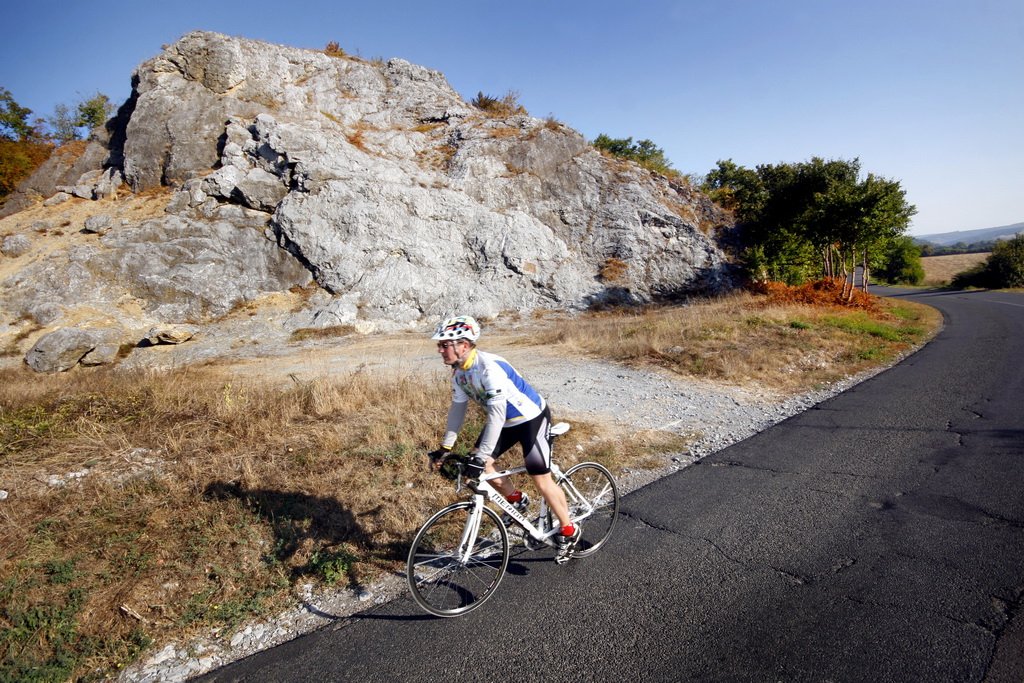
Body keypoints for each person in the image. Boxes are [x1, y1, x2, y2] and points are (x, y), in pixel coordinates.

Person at [427, 315, 581, 562]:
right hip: (505, 423)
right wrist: (445, 446)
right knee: (483, 466)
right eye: (440, 344)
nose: (440, 349)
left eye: (445, 344)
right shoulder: (459, 374)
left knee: (540, 479)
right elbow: (457, 410)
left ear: (463, 346)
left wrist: (481, 454)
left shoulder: (489, 369)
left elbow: (496, 416)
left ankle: (569, 529)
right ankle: (516, 500)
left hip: (531, 419)